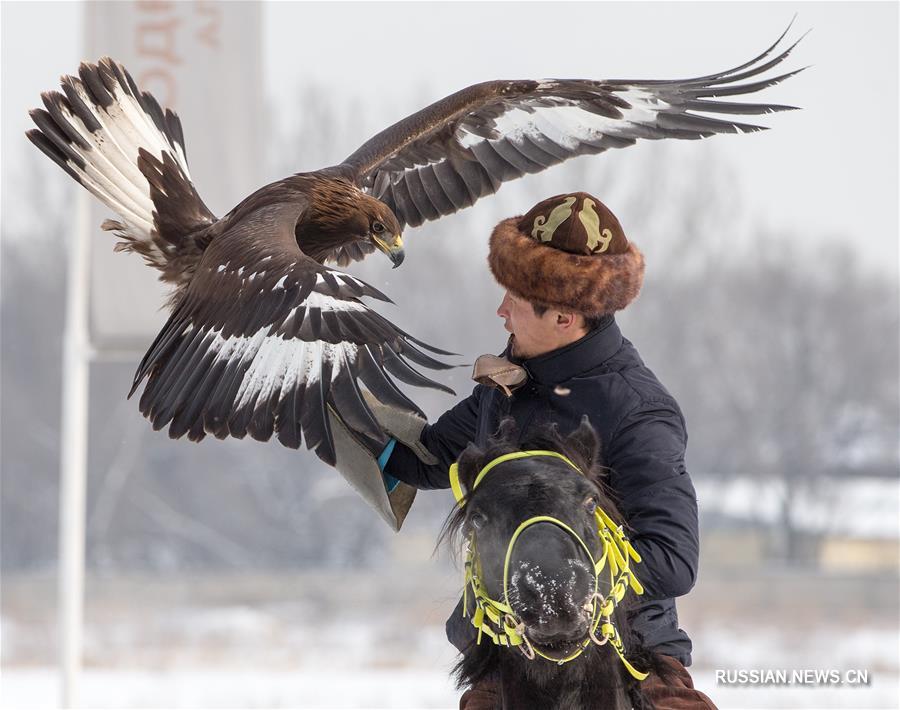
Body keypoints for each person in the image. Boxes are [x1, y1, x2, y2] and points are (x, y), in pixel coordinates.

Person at [343, 192, 716, 709]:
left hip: (631, 659)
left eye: (513, 301)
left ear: (565, 316)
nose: (500, 312)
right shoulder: (508, 381)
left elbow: (674, 561)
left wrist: (553, 585)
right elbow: (424, 459)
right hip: (505, 662)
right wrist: (320, 399)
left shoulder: (639, 410)